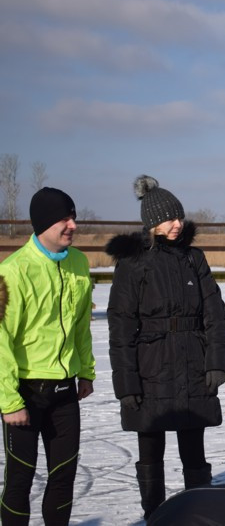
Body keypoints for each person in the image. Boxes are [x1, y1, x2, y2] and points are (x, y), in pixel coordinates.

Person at [105, 175, 225, 520]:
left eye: (180, 217)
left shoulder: (194, 259)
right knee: (151, 450)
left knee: (194, 449)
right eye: (170, 218)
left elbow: (216, 313)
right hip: (150, 370)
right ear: (152, 223)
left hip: (192, 366)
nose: (178, 224)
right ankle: (154, 514)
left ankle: (198, 512)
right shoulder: (133, 264)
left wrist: (217, 360)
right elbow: (121, 326)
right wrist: (126, 383)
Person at [0, 187, 96, 526]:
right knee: (19, 481)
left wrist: (85, 372)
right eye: (63, 219)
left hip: (64, 390)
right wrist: (9, 401)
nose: (72, 225)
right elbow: (1, 340)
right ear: (42, 223)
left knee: (62, 479)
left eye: (73, 217)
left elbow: (81, 323)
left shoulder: (80, 263)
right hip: (25, 393)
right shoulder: (14, 271)